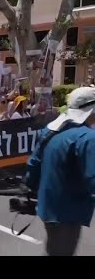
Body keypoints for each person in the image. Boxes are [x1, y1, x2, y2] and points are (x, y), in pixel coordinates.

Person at [26, 87, 95, 256]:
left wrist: (29, 188)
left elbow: (33, 164)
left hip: (47, 207)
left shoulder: (50, 129)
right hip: (68, 212)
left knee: (54, 250)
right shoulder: (87, 138)